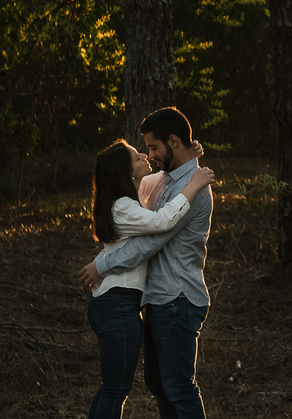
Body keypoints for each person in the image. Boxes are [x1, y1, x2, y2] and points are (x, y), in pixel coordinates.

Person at [79, 107, 215, 419]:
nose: (149, 155)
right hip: (159, 299)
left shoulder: (190, 188)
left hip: (177, 298)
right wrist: (191, 153)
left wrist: (104, 264)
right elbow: (143, 181)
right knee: (160, 385)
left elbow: (150, 242)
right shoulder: (166, 180)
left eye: (153, 147)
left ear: (173, 141)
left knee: (179, 388)